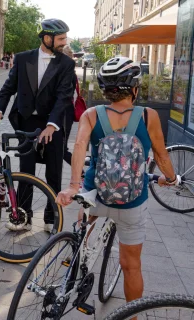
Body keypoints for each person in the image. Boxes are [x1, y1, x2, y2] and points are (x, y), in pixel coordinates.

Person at [57, 57, 178, 305]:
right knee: (131, 266)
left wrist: (72, 186)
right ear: (134, 88)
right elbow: (161, 154)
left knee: (85, 219)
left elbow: (79, 146)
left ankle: (80, 255)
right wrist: (171, 178)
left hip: (96, 196)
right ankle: (130, 315)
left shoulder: (92, 114)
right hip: (132, 203)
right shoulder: (148, 116)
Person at [0, 18, 74, 232]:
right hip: (27, 121)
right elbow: (9, 87)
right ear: (47, 38)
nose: (65, 42)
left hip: (53, 123)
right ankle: (23, 217)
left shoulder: (66, 64)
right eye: (61, 38)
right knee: (26, 171)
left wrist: (52, 125)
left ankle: (50, 217)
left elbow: (64, 97)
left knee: (53, 172)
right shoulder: (23, 58)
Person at [62, 45, 79, 165]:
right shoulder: (70, 73)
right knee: (60, 148)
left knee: (62, 149)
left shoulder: (67, 74)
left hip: (65, 113)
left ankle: (81, 172)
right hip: (66, 112)